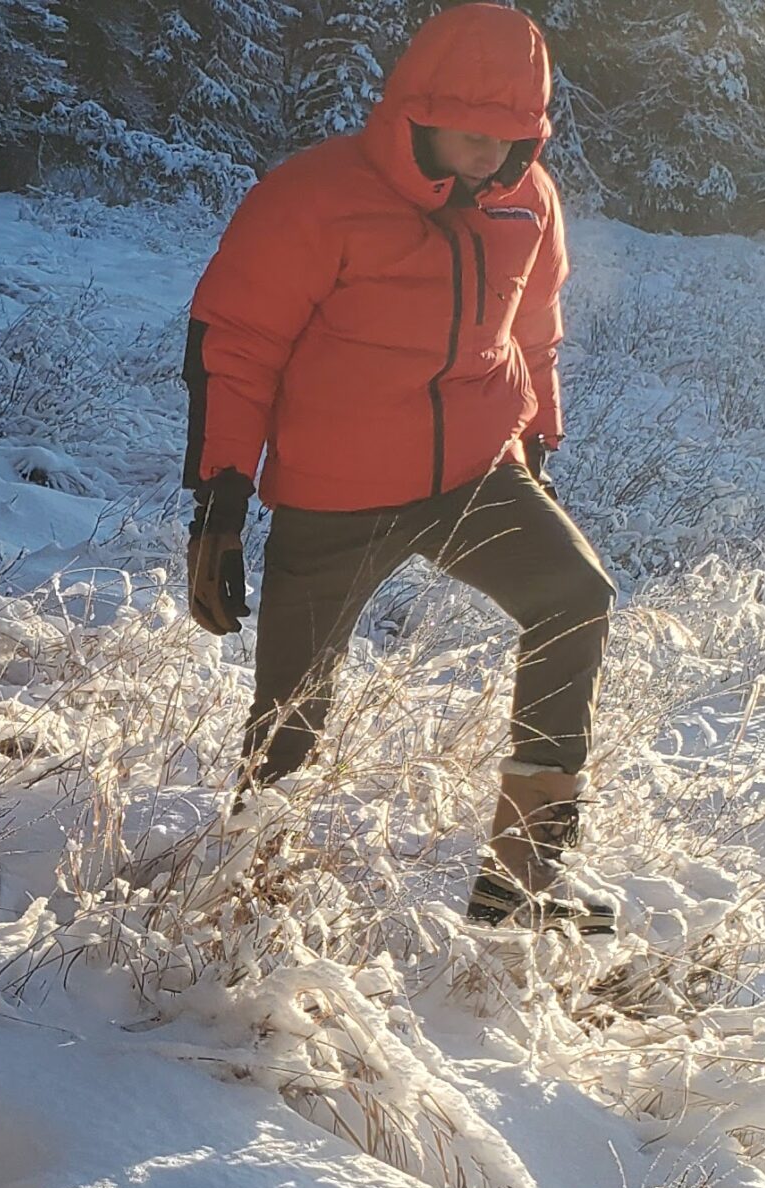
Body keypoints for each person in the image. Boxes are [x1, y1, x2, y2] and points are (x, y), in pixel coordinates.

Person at [179, 1, 618, 934]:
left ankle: (524, 875)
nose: (489, 161)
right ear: (414, 111)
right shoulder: (315, 194)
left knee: (576, 596)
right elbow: (237, 342)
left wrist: (537, 439)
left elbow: (532, 324)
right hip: (335, 495)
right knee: (291, 711)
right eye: (471, 136)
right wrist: (220, 505)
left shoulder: (527, 201)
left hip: (475, 472)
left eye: (512, 141)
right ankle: (246, 891)